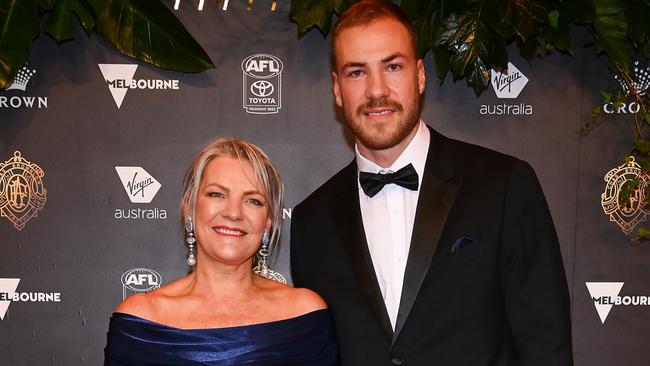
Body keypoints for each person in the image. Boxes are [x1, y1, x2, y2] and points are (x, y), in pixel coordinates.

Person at [290, 1, 574, 365]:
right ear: (336, 89)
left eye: (392, 66)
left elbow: (546, 346)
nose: (377, 90)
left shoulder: (504, 186)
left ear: (420, 76)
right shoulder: (311, 222)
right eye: (357, 72)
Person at [105, 138, 340, 365]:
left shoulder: (304, 316)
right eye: (217, 194)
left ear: (268, 222)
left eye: (253, 201)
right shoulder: (140, 321)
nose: (234, 213)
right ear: (190, 208)